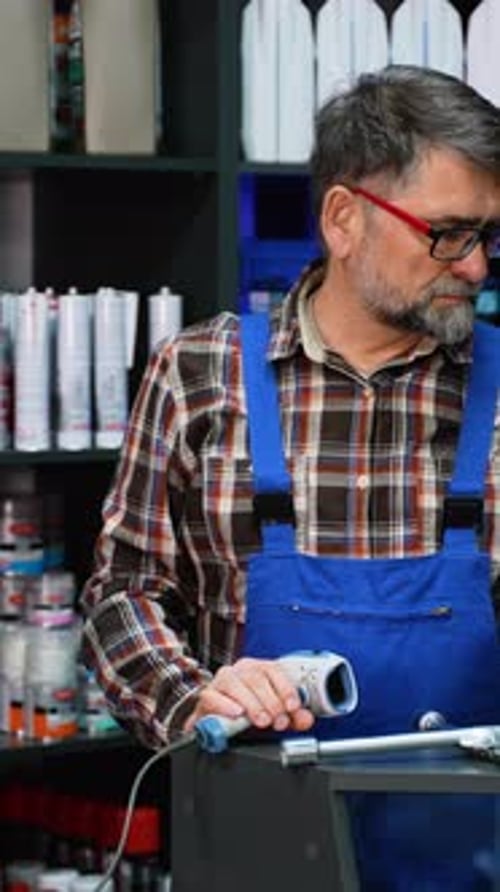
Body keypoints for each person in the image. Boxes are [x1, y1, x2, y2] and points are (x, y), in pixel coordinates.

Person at [80, 65, 500, 890]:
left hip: (471, 861)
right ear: (345, 219)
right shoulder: (201, 374)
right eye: (447, 234)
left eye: (488, 236)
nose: (478, 267)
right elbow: (120, 597)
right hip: (252, 851)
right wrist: (194, 698)